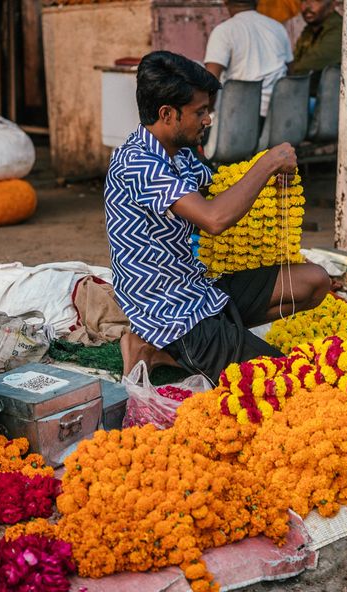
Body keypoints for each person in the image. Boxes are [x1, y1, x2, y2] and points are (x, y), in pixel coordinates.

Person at [104, 51, 330, 383]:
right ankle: (164, 346)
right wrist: (266, 163)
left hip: (197, 289)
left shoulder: (179, 154)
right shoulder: (138, 163)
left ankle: (155, 350)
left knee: (314, 281)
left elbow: (219, 187)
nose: (208, 120)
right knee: (288, 380)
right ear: (168, 114)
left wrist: (270, 182)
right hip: (170, 314)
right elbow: (214, 217)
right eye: (200, 112)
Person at [204, 0, 294, 145]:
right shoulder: (278, 28)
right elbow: (291, 75)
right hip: (279, 121)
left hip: (236, 124)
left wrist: (205, 115)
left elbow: (209, 82)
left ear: (226, 2)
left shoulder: (224, 31)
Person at [292, 0, 347, 94]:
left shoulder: (342, 30)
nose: (307, 7)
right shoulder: (309, 31)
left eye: (315, 1)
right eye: (304, 1)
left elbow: (308, 63)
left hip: (345, 99)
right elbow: (296, 60)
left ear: (332, 5)